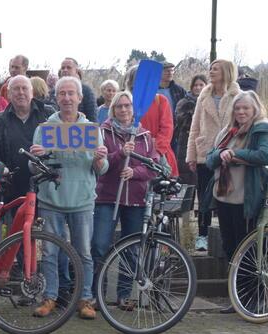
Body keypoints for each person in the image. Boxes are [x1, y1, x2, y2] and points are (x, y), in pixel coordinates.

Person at [30, 76, 108, 320]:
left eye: (70, 94)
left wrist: (99, 159)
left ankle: (85, 299)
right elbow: (33, 169)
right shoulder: (44, 129)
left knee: (83, 252)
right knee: (50, 253)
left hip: (82, 199)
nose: (66, 98)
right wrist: (38, 158)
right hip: (51, 200)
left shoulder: (92, 130)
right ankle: (50, 297)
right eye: (62, 93)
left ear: (80, 98)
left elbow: (101, 169)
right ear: (56, 97)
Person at [201, 90, 268, 313]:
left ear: (254, 109)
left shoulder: (261, 129)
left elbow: (267, 156)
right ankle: (238, 297)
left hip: (247, 197)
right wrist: (222, 153)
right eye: (237, 108)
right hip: (225, 197)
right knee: (231, 248)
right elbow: (210, 159)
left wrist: (235, 155)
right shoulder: (227, 132)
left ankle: (255, 297)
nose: (241, 111)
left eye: (246, 108)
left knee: (250, 250)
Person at [90, 90, 159, 310]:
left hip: (136, 200)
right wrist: (120, 153)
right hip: (107, 197)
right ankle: (95, 294)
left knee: (131, 249)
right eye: (119, 106)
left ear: (133, 108)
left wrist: (135, 172)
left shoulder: (144, 136)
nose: (123, 110)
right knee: (100, 246)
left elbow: (153, 167)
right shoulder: (103, 132)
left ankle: (123, 295)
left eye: (127, 106)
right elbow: (98, 165)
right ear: (112, 109)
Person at [186, 59, 241, 253]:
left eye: (215, 69)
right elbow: (194, 126)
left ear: (226, 72)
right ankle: (202, 235)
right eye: (210, 68)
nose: (211, 71)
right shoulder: (204, 94)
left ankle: (228, 236)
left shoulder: (238, 95)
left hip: (229, 153)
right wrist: (191, 155)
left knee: (227, 195)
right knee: (204, 195)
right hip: (205, 151)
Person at [0, 75, 53, 203]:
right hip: (12, 188)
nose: (21, 92)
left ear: (32, 92)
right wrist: (0, 167)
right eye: (16, 89)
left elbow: (60, 144)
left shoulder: (48, 114)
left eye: (24, 88)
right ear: (8, 94)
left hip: (45, 187)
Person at [124, 66, 178, 176]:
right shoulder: (125, 103)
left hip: (158, 155)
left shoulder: (160, 100)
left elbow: (167, 129)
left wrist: (156, 151)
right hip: (132, 154)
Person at [174, 74, 207, 189]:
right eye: (195, 85)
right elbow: (182, 122)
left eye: (201, 85)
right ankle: (186, 204)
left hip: (204, 143)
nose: (198, 88)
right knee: (186, 175)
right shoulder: (183, 102)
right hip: (186, 142)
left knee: (203, 177)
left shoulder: (210, 102)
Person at [57, 57, 98, 122]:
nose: (65, 70)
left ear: (76, 71)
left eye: (68, 67)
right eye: (63, 68)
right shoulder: (55, 90)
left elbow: (92, 116)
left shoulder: (86, 91)